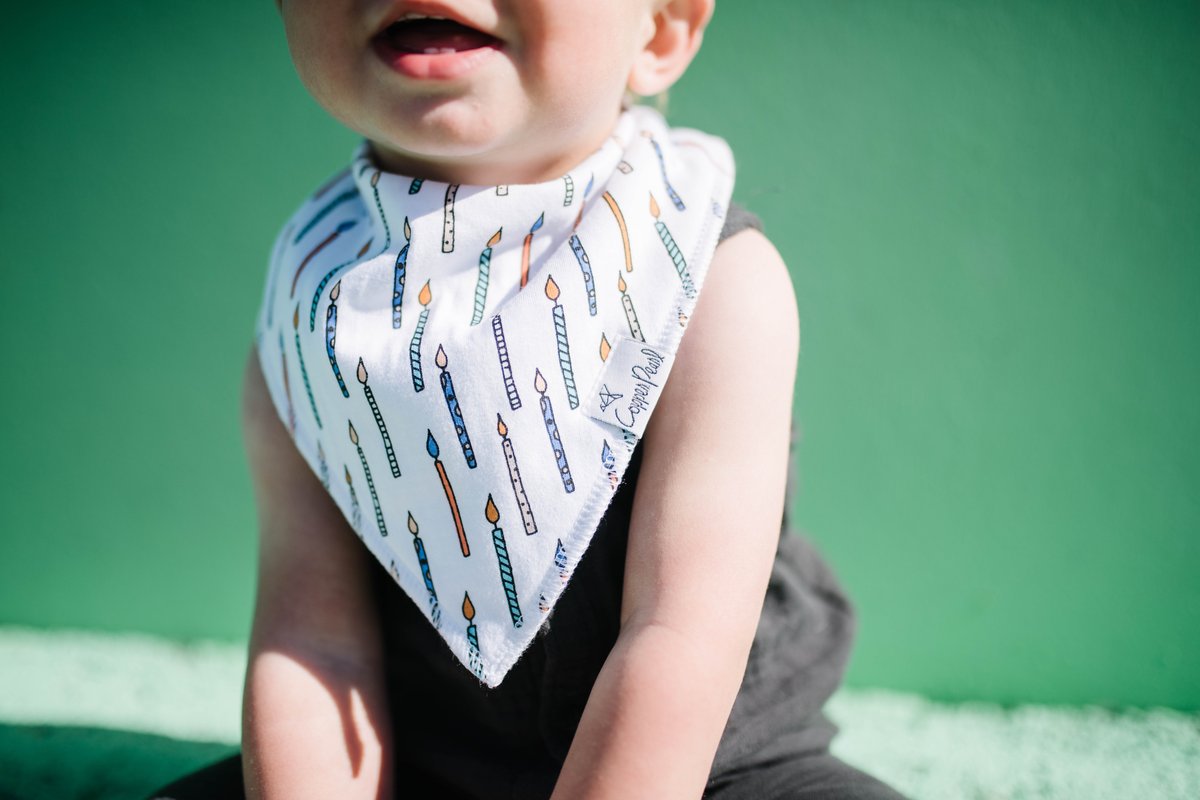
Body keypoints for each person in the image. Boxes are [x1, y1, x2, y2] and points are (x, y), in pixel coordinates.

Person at [146, 1, 907, 798]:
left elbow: (680, 638)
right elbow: (314, 645)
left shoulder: (706, 281)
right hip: (414, 760)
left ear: (659, 30)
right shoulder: (316, 305)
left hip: (710, 768)